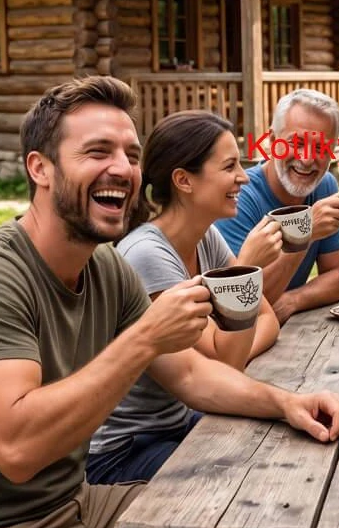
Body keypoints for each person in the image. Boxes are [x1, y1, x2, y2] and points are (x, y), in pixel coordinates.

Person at [0, 77, 339, 528]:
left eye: (131, 156)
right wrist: (146, 336)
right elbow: (17, 450)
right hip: (9, 526)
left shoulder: (107, 269)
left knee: (255, 503)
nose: (122, 169)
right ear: (41, 169)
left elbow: (192, 375)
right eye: (97, 152)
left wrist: (289, 403)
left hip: (80, 502)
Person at [87, 110, 283, 484]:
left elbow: (267, 319)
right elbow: (229, 360)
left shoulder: (205, 236)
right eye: (229, 166)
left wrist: (231, 346)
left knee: (274, 445)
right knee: (248, 476)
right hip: (125, 450)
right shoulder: (147, 255)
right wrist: (245, 270)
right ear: (184, 180)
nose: (243, 176)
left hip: (176, 423)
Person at [216, 89, 339, 325]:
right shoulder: (239, 197)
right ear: (271, 141)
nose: (307, 159)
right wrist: (305, 233)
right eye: (296, 143)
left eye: (320, 148)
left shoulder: (324, 186)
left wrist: (293, 300)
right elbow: (241, 303)